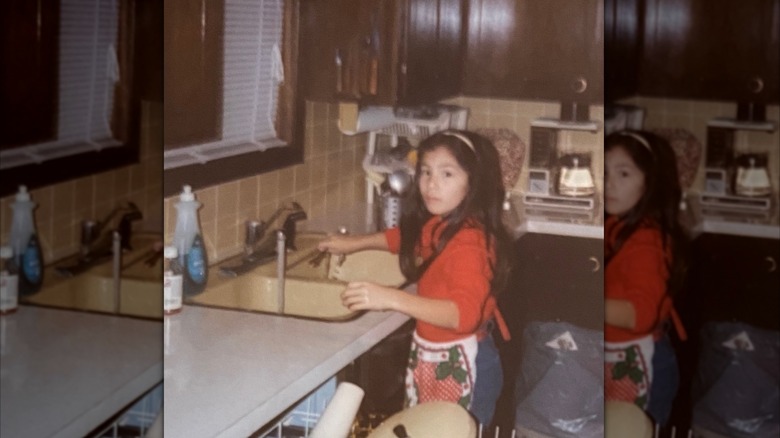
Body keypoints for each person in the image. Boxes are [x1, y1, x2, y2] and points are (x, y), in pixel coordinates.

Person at [317, 129, 513, 426]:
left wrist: (391, 298)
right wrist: (354, 242)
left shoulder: (470, 243)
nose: (432, 184)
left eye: (447, 174)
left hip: (467, 366)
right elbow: (404, 239)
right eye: (425, 172)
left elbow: (463, 316)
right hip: (437, 355)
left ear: (473, 183)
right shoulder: (443, 223)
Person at [604, 130, 688, 427]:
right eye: (604, 172)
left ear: (649, 183)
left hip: (642, 362)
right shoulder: (618, 223)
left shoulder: (647, 241)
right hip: (618, 355)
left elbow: (640, 314)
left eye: (623, 174)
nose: (608, 183)